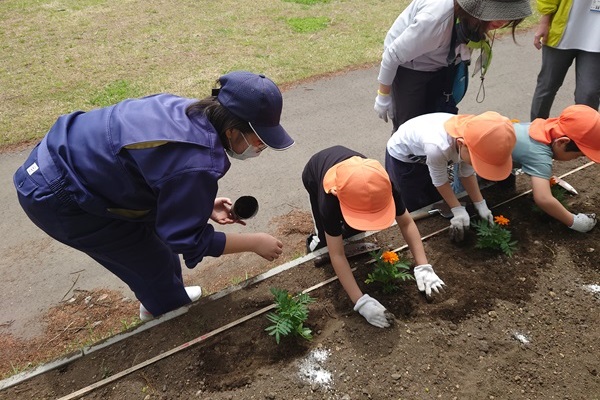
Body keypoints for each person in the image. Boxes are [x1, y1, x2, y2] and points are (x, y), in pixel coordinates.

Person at [13, 71, 294, 322]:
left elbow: (156, 172)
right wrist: (254, 242)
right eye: (259, 138)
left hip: (63, 156)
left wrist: (200, 205)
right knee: (154, 263)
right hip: (57, 194)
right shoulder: (198, 162)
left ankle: (164, 298)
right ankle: (167, 316)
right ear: (232, 130)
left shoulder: (188, 110)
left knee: (160, 250)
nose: (261, 147)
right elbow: (186, 239)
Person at [303, 146, 445, 328]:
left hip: (357, 178)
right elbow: (336, 254)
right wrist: (360, 301)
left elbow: (407, 223)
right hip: (315, 175)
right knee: (325, 239)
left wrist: (423, 265)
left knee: (354, 230)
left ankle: (349, 228)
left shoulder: (384, 185)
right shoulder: (329, 200)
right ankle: (314, 243)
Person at [374, 0, 531, 132]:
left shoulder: (470, 17)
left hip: (443, 63)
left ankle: (431, 165)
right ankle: (403, 167)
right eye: (498, 13)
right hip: (411, 67)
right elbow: (392, 55)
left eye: (508, 15)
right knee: (408, 128)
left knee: (438, 121)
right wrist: (383, 96)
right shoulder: (435, 19)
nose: (503, 21)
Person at [386, 111, 516, 241]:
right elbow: (439, 180)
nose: (477, 165)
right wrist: (457, 208)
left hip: (430, 155)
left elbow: (466, 173)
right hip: (404, 159)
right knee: (413, 199)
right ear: (461, 144)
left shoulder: (475, 138)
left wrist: (480, 203)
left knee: (435, 197)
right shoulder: (438, 146)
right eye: (477, 161)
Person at [513, 104, 599, 231]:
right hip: (476, 163)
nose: (577, 159)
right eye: (577, 156)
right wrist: (575, 222)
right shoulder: (539, 155)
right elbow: (543, 199)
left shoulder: (542, 127)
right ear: (562, 142)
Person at [530, 0, 600, 120]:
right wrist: (544, 22)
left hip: (596, 40)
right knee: (547, 87)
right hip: (562, 33)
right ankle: (537, 132)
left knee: (588, 94)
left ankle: (582, 137)